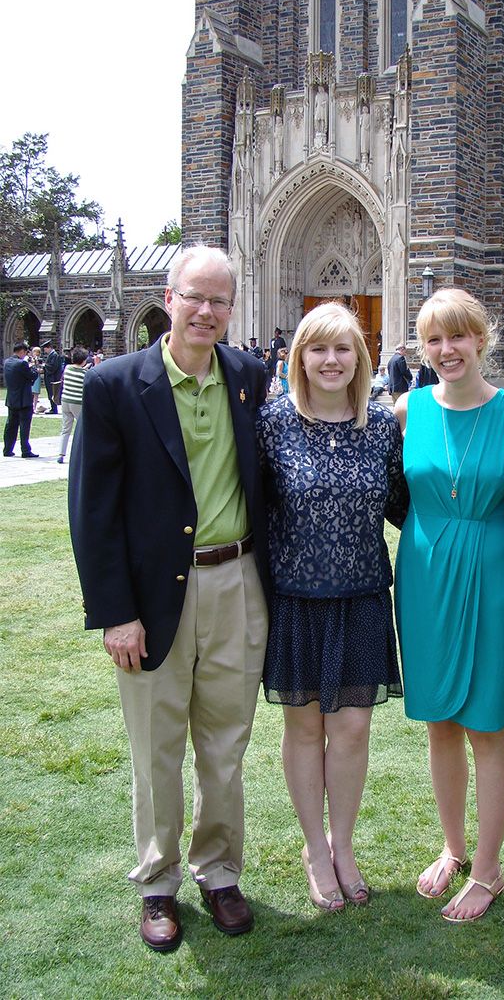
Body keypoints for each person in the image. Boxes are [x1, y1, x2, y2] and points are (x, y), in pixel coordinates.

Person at [68, 246, 271, 952]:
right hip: (153, 597)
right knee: (157, 746)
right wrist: (115, 611)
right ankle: (158, 881)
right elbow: (93, 512)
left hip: (237, 582)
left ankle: (220, 872)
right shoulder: (117, 386)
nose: (207, 312)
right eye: (196, 297)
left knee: (226, 742)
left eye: (221, 301)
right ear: (169, 296)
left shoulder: (249, 376)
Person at [394, 288, 504, 922]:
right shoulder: (406, 409)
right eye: (433, 339)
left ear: (484, 337)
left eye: (458, 336)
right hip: (423, 572)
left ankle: (488, 868)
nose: (446, 350)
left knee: (487, 723)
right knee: (439, 723)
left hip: (489, 569)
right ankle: (453, 848)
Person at [257, 302, 408, 913]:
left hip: (363, 595)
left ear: (360, 357)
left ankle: (343, 846)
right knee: (305, 726)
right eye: (317, 349)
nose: (330, 360)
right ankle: (314, 848)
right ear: (299, 357)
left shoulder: (380, 426)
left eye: (342, 349)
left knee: (351, 728)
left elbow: (405, 503)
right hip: (296, 597)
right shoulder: (272, 423)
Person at [3, 340, 40, 458]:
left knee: (11, 425)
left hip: (12, 399)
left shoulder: (7, 362)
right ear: (22, 351)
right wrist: (34, 367)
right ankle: (25, 450)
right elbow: (32, 375)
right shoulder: (22, 364)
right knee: (24, 426)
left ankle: (8, 449)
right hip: (24, 400)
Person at [57, 346, 88, 463]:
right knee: (83, 428)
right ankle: (82, 453)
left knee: (65, 428)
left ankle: (61, 454)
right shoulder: (85, 373)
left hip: (65, 401)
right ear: (84, 360)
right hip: (77, 403)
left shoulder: (67, 368)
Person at [41, 340, 65, 413]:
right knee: (50, 393)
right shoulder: (52, 355)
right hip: (50, 378)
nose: (44, 351)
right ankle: (53, 408)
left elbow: (53, 367)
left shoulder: (54, 355)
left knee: (52, 393)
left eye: (45, 349)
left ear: (48, 348)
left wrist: (45, 366)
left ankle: (54, 409)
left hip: (53, 378)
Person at [30, 346, 44, 413]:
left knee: (36, 393)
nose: (36, 353)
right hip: (30, 377)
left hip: (37, 377)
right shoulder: (29, 359)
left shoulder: (40, 360)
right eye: (35, 351)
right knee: (30, 392)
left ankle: (34, 408)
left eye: (38, 352)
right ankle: (30, 407)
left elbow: (42, 369)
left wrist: (38, 365)